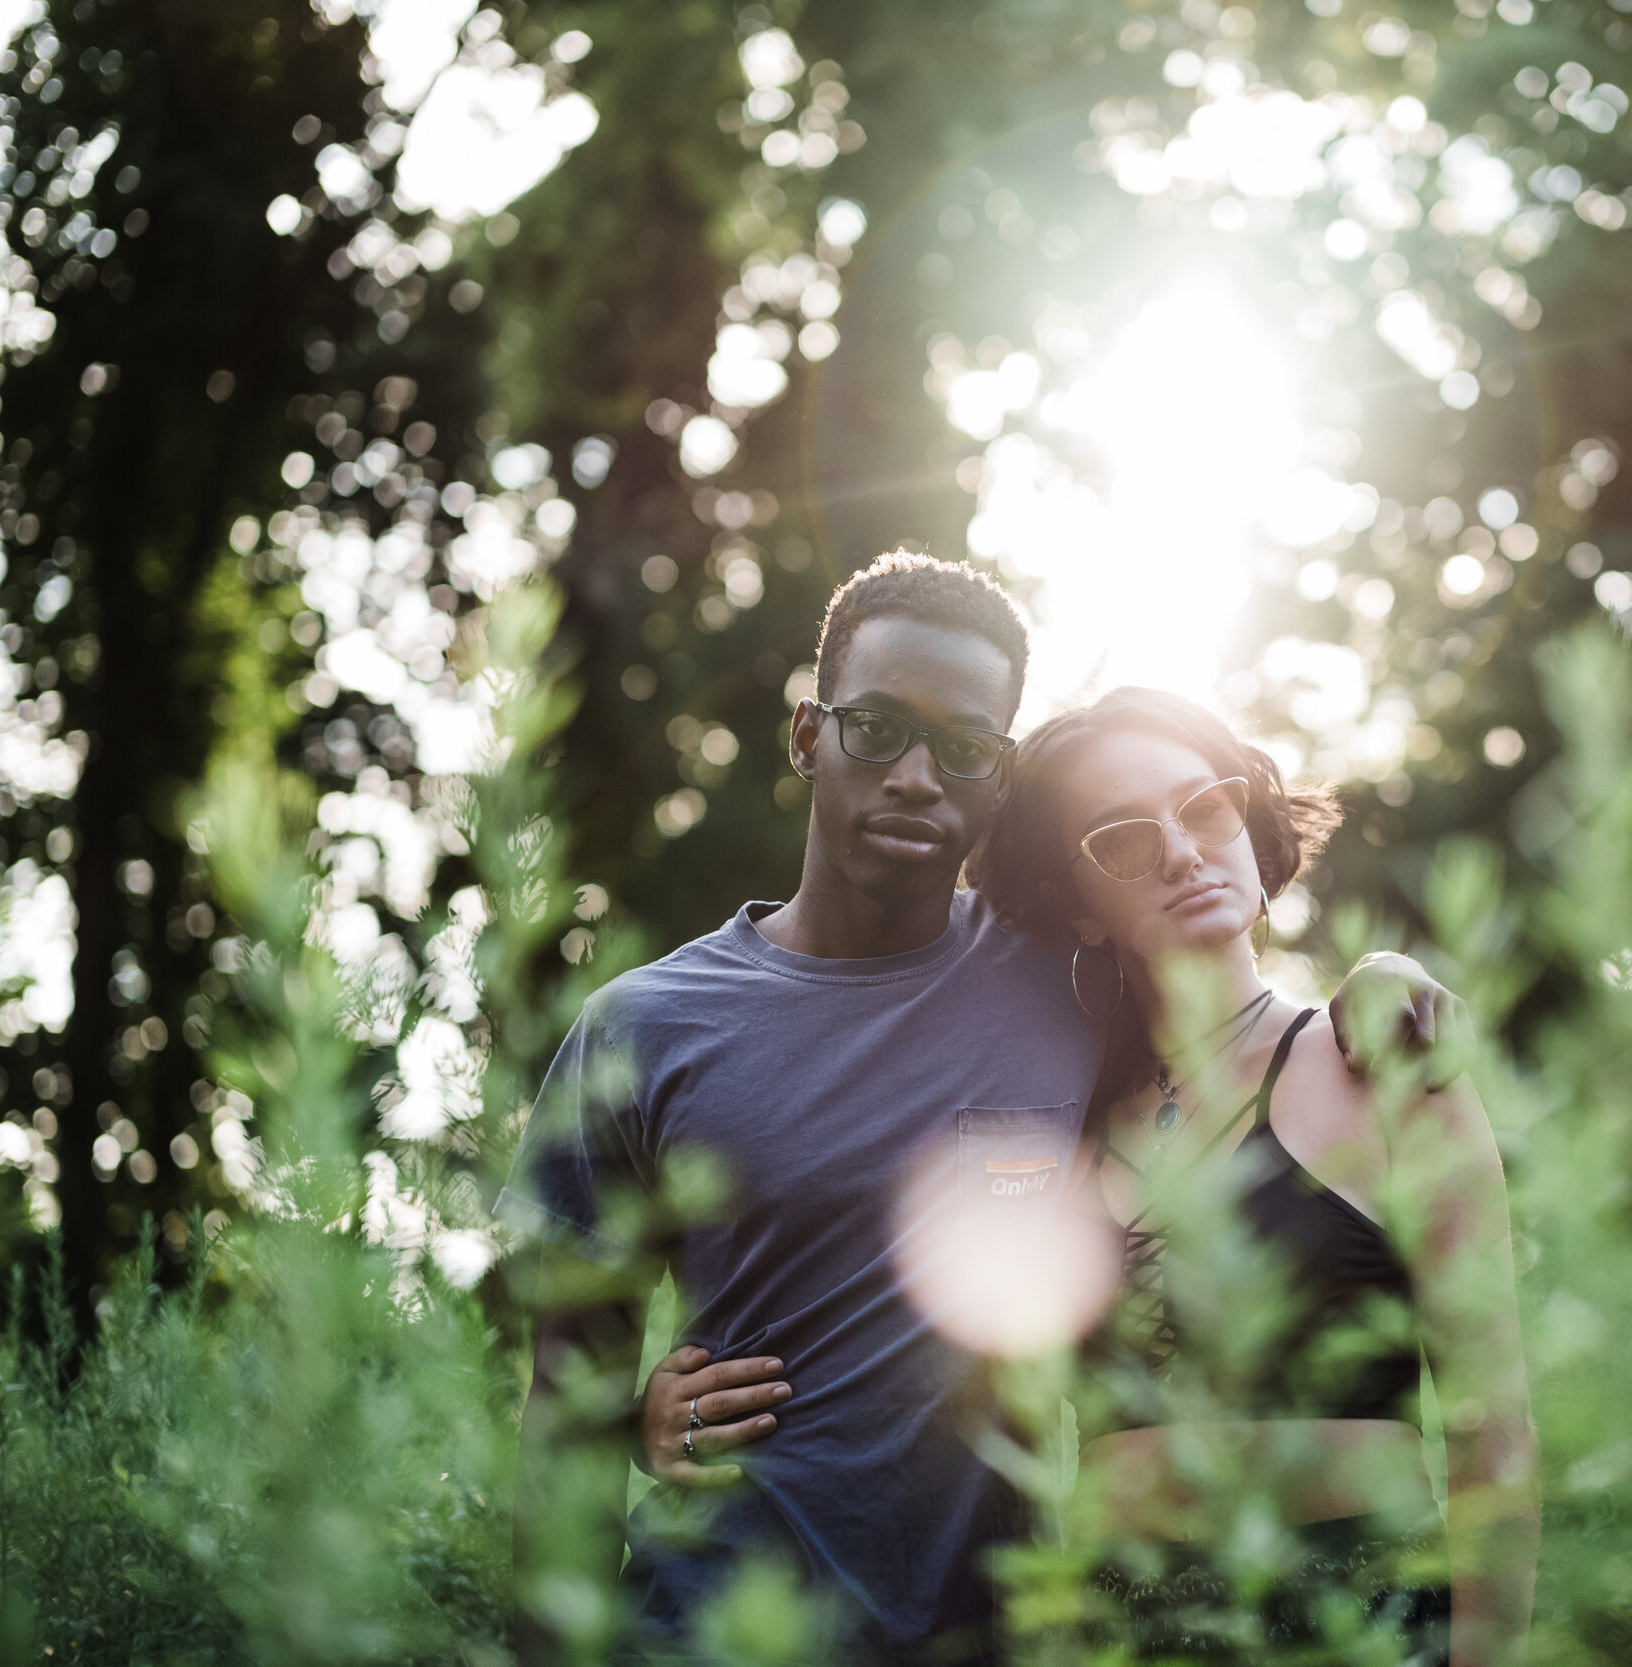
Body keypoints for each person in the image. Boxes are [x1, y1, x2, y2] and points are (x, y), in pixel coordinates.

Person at [507, 553, 1453, 1667]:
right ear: (808, 735)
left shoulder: (1067, 980)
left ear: (999, 776)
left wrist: (1383, 975)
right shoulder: (640, 1030)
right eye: (876, 730)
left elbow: (1221, 1003)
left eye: (963, 746)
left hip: (988, 1640)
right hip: (709, 1633)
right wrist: (632, 1420)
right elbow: (560, 1428)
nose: (917, 776)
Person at [965, 686, 1539, 1666]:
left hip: (1361, 1627)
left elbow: (1495, 1423)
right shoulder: (1052, 1125)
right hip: (1128, 1635)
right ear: (1075, 906)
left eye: (1203, 806)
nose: (1181, 850)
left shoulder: (1388, 1064)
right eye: (1123, 838)